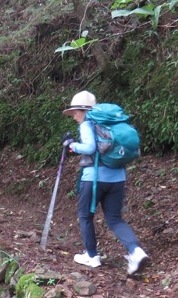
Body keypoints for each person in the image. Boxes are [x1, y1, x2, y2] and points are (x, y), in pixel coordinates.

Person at [62, 90, 149, 275]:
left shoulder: (88, 124)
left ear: (83, 110)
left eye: (75, 112)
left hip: (94, 179)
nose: (74, 117)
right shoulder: (111, 124)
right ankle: (136, 251)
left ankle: (92, 256)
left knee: (85, 216)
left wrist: (71, 145)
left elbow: (90, 147)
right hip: (117, 179)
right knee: (115, 219)